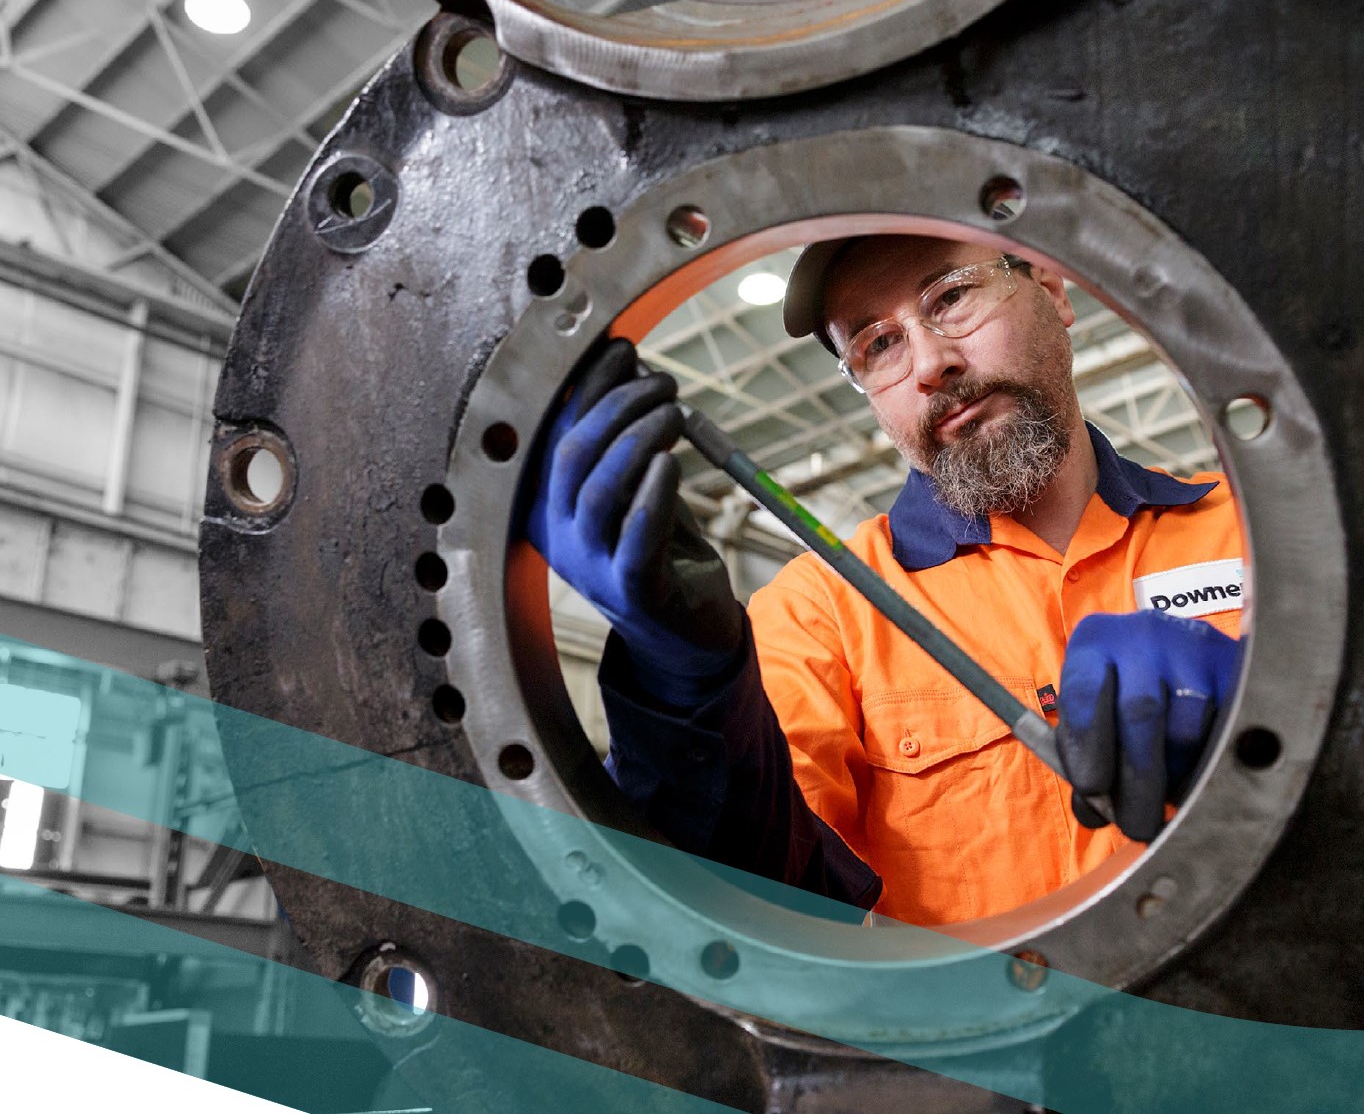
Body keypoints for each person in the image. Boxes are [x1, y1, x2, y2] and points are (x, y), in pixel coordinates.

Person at [523, 235, 1245, 926]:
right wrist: (684, 696)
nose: (931, 362)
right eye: (878, 345)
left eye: (952, 296)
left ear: (1052, 291)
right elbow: (748, 898)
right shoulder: (823, 612)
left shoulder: (1252, 531)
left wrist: (1275, 697)